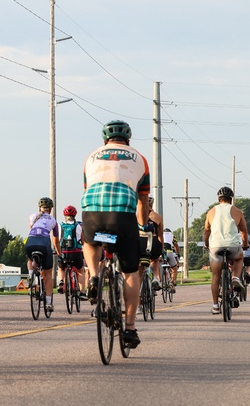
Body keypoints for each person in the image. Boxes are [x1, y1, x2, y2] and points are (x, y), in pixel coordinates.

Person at [81, 119, 150, 349]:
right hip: (122, 216)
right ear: (128, 139)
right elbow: (142, 201)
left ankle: (92, 276)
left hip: (93, 212)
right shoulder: (140, 158)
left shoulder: (90, 157)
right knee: (131, 273)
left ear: (105, 140)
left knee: (90, 242)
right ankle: (130, 328)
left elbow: (88, 186)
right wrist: (141, 227)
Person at [203, 186, 249, 315]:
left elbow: (206, 230)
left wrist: (206, 244)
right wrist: (244, 245)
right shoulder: (237, 211)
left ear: (219, 199)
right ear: (231, 200)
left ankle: (215, 306)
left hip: (216, 246)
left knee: (216, 276)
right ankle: (235, 277)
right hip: (233, 245)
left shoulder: (211, 211)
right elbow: (244, 230)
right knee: (239, 258)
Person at [25, 197, 62, 313]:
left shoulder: (32, 216)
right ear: (50, 209)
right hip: (44, 243)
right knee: (47, 274)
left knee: (30, 259)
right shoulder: (53, 220)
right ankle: (49, 303)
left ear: (39, 208)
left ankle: (31, 274)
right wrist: (59, 254)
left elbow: (32, 229)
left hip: (30, 242)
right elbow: (56, 241)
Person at [138, 195, 164, 293]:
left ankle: (139, 303)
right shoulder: (157, 217)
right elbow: (160, 235)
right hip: (153, 243)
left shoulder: (136, 216)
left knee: (139, 267)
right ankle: (156, 278)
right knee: (155, 260)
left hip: (140, 243)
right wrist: (161, 250)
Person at [57, 205, 84, 293]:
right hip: (75, 253)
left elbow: (56, 240)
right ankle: (82, 292)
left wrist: (56, 251)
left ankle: (61, 281)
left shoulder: (60, 226)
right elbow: (83, 241)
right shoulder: (78, 226)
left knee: (61, 268)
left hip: (63, 252)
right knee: (80, 271)